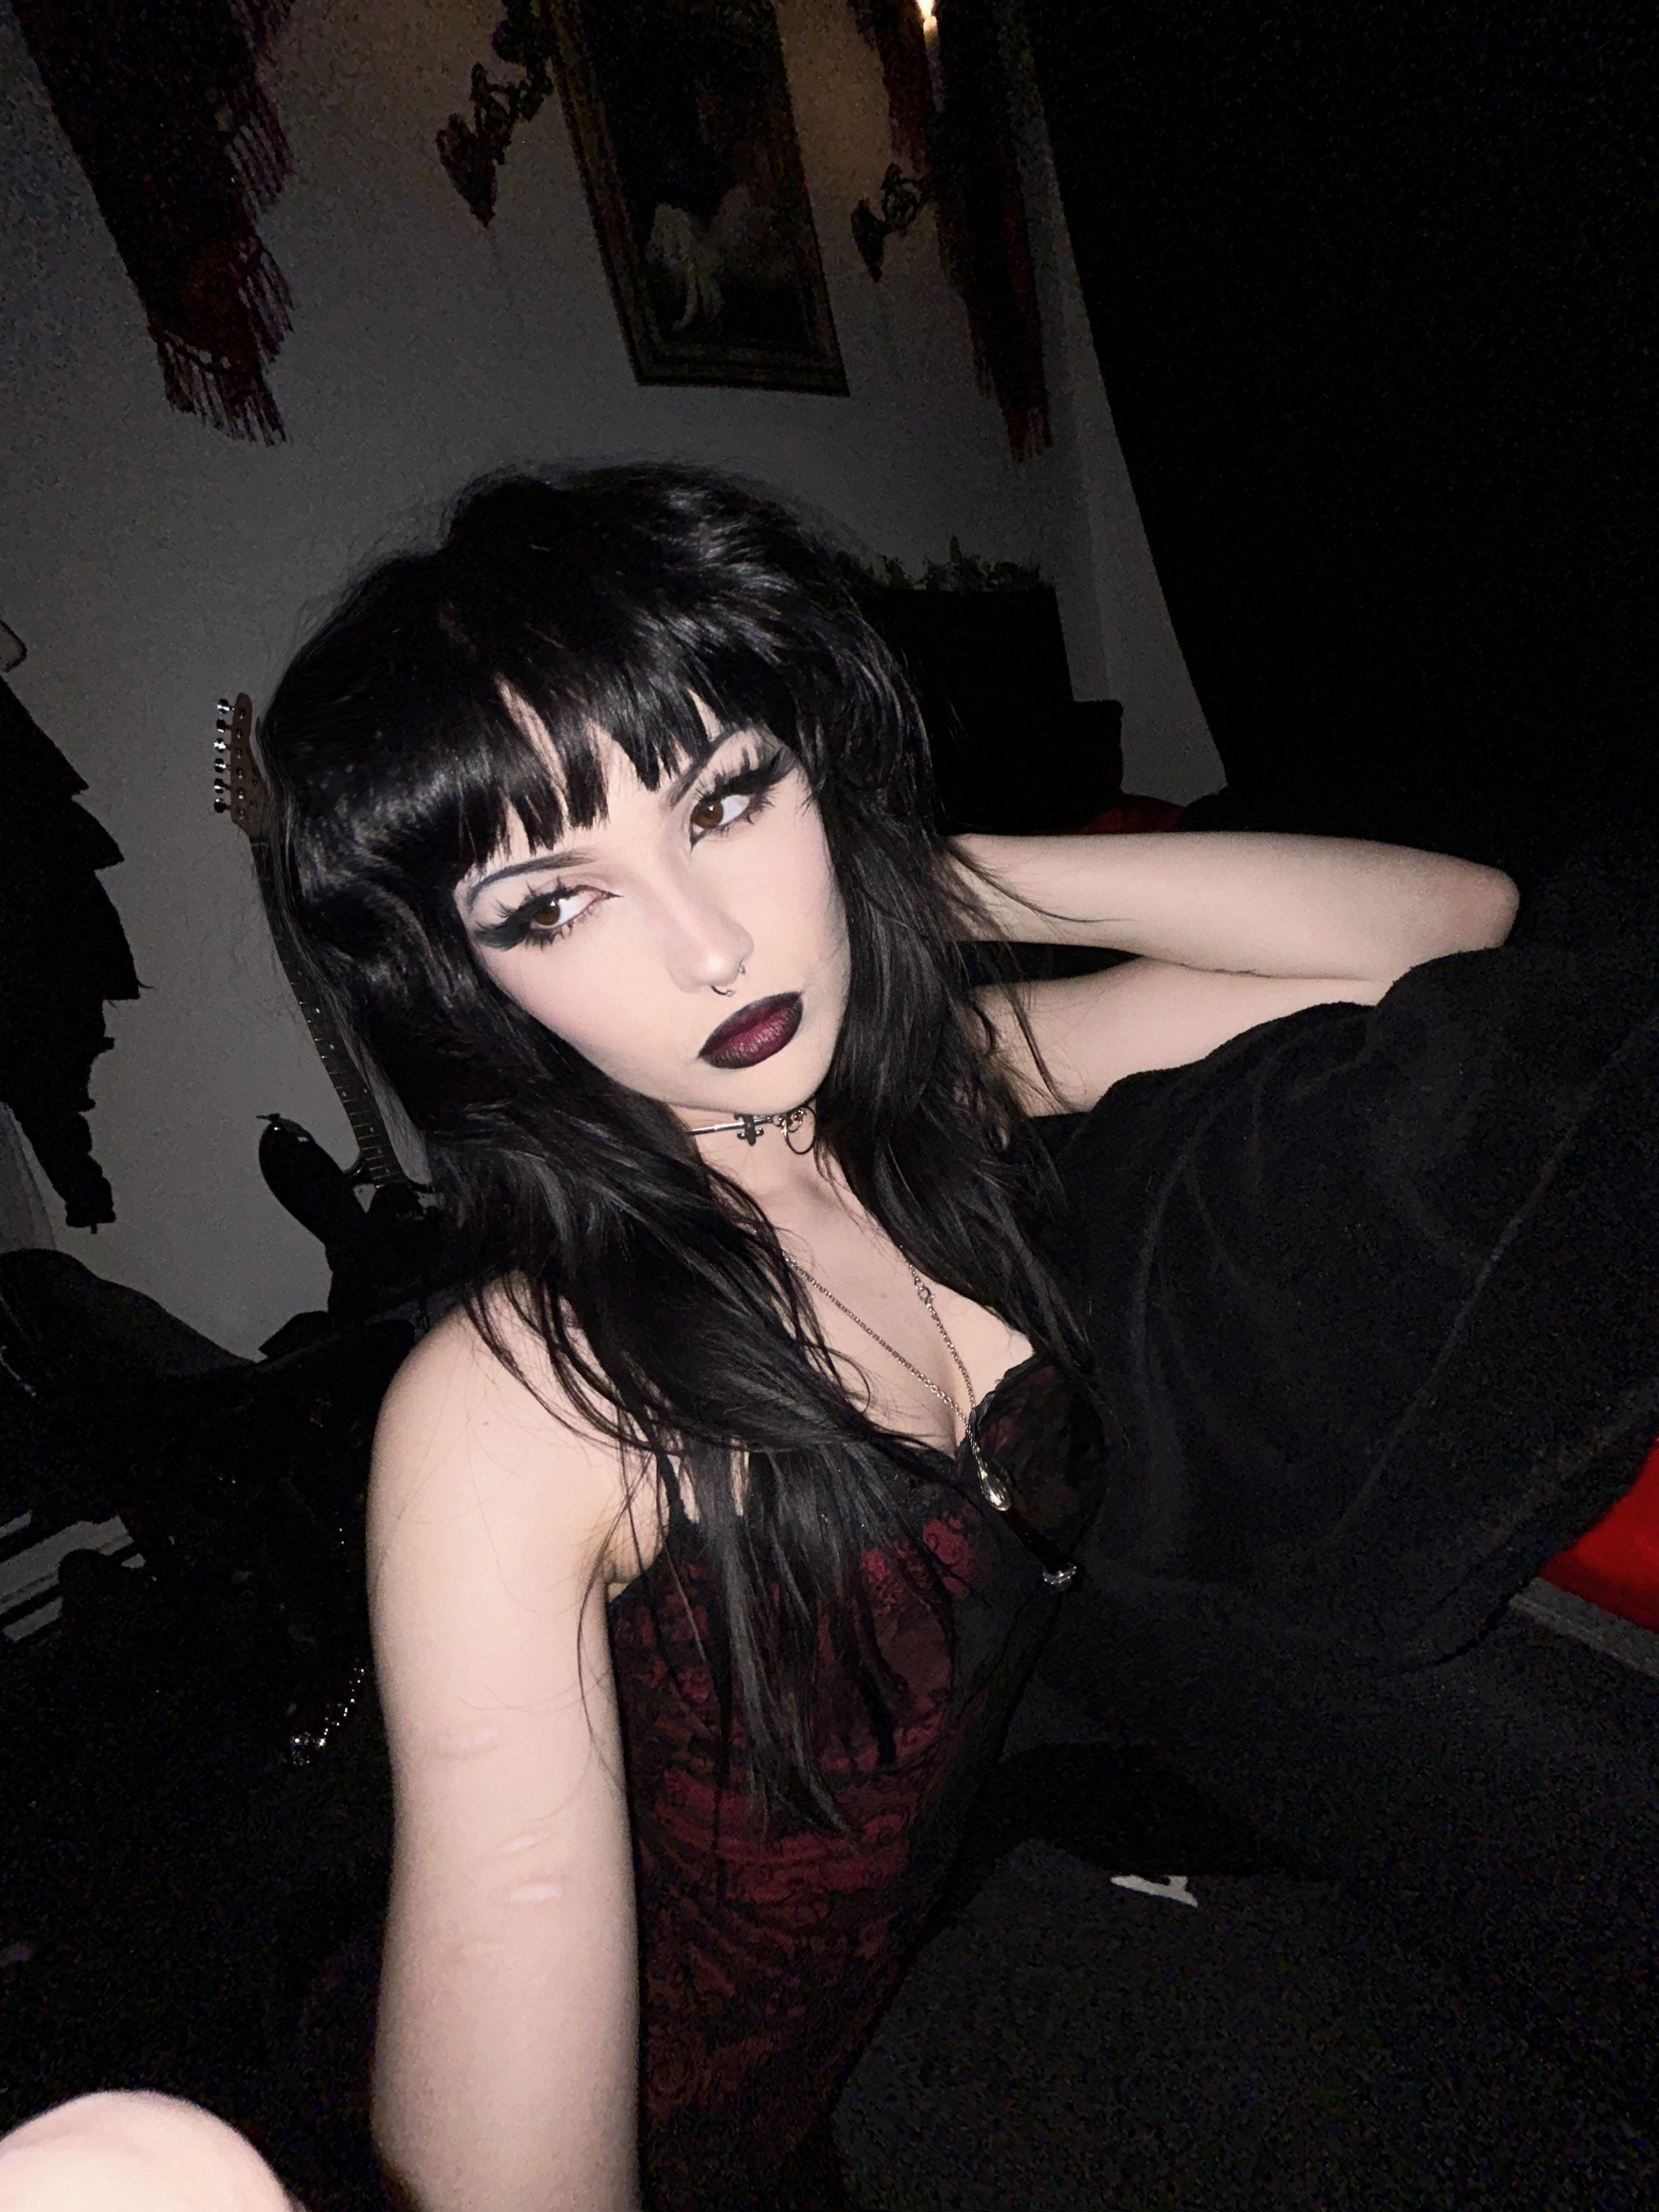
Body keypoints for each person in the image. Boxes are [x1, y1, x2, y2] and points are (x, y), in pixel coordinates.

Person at [4, 464, 1652, 2211]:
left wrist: (915, 880)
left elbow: (1443, 930)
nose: (711, 949)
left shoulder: (937, 1096)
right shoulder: (520, 1409)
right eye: (555, 904)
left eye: (725, 799)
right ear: (466, 982)